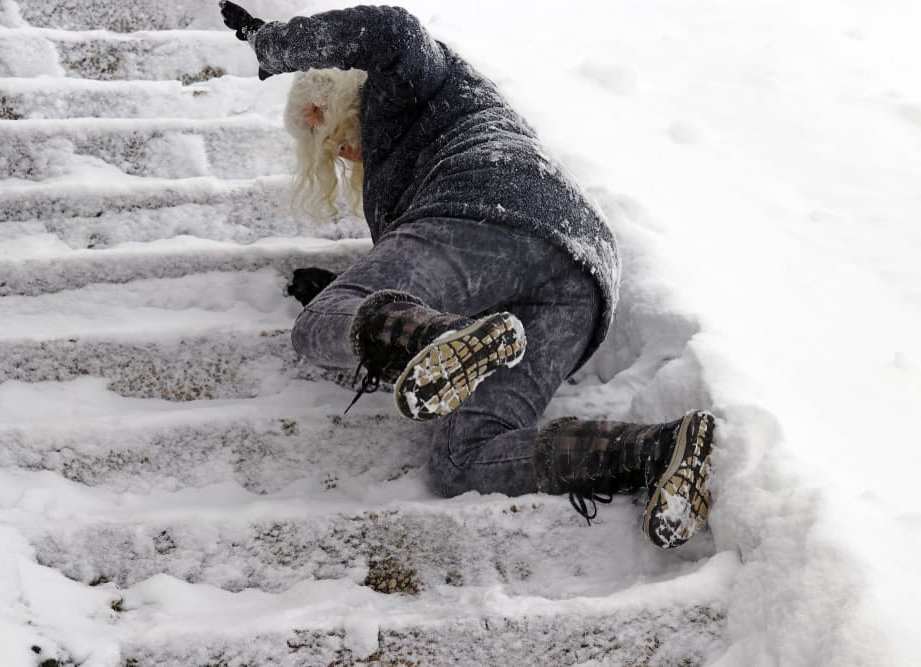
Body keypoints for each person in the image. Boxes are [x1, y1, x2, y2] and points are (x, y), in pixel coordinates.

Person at [220, 2, 714, 549]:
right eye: (331, 150)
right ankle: (653, 451)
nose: (342, 149)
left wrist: (270, 44)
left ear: (342, 96)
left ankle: (435, 335)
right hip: (580, 275)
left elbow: (393, 28)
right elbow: (443, 271)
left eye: (330, 127)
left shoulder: (409, 86)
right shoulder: (427, 140)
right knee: (462, 459)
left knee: (316, 329)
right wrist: (349, 283)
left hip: (485, 207)